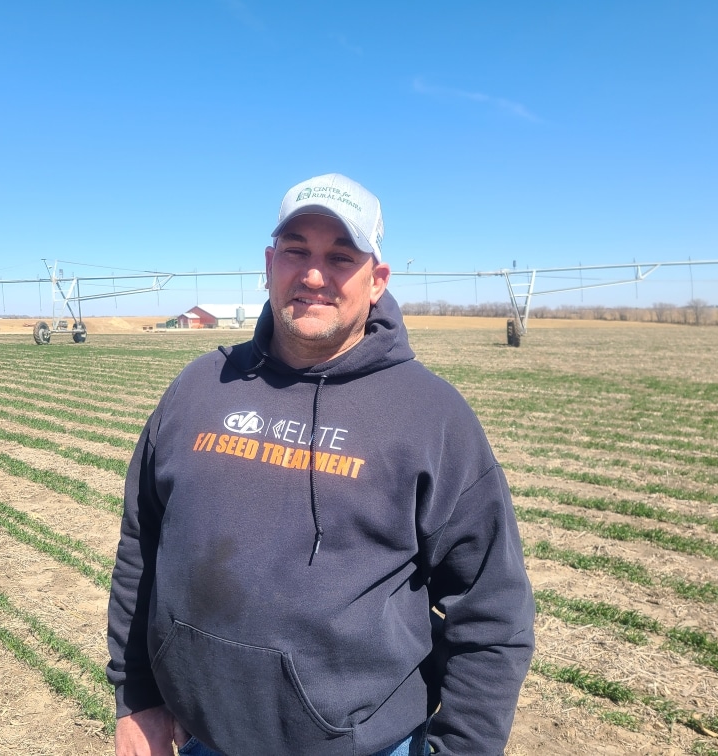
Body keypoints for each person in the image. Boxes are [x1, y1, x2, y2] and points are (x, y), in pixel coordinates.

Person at [107, 173, 535, 756]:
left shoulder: (432, 416)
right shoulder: (199, 389)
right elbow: (142, 547)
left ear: (377, 280)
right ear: (268, 263)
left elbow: (492, 609)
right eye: (296, 251)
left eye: (340, 256)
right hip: (201, 738)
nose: (313, 275)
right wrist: (139, 698)